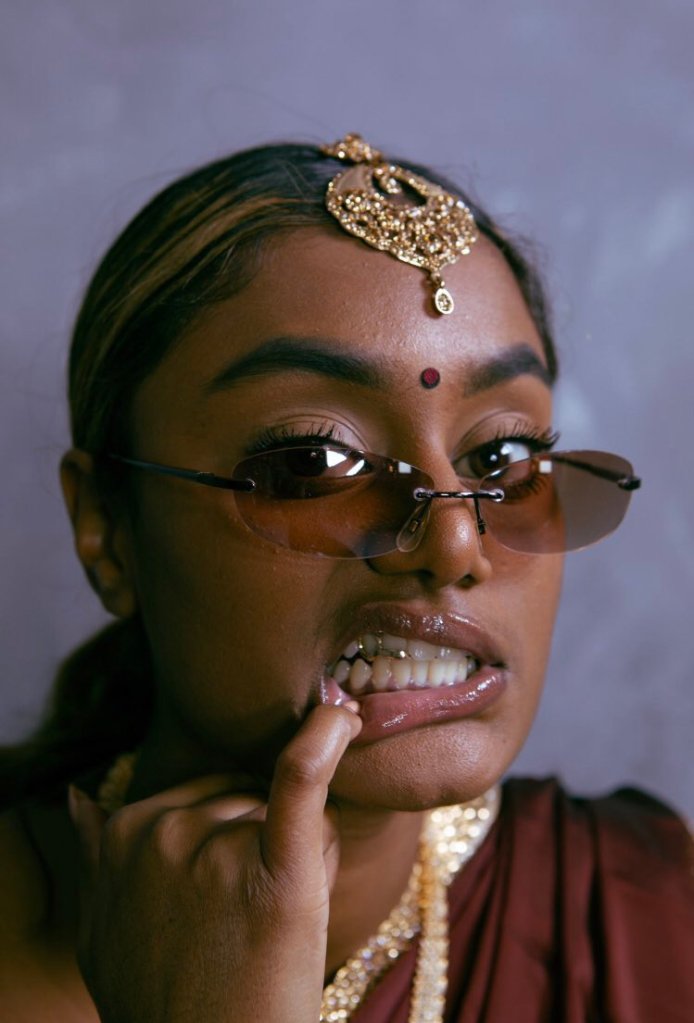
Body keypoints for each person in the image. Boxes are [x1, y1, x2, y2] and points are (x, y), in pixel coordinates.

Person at [0, 133, 691, 1022]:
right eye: (315, 459)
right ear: (106, 528)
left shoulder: (647, 912)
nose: (454, 542)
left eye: (504, 457)